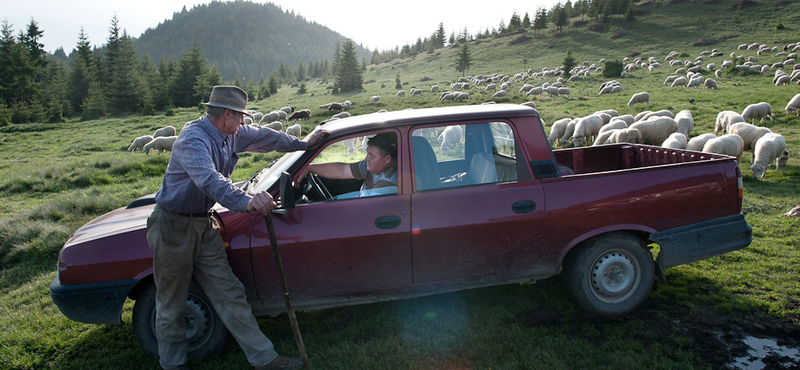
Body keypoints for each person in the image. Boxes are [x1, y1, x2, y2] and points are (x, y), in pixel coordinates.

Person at [146, 85, 326, 370]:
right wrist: (247, 201)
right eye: (240, 116)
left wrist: (304, 143)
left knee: (230, 293)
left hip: (204, 225)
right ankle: (173, 364)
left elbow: (266, 136)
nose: (244, 122)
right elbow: (209, 180)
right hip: (173, 227)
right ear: (227, 114)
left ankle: (264, 359)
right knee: (171, 301)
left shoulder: (232, 133)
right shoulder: (194, 139)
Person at [304, 132, 397, 197]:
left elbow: (366, 210)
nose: (366, 158)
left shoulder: (387, 185)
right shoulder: (375, 166)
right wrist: (309, 167)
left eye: (371, 155)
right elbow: (343, 170)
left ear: (387, 159)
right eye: (367, 153)